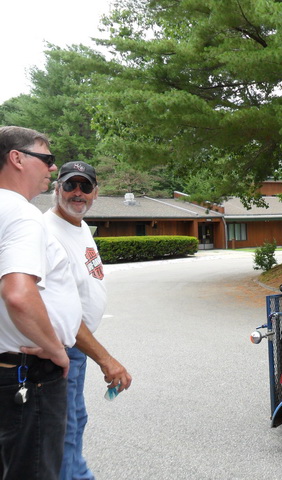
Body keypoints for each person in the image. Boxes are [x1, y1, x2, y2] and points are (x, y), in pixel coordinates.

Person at [0, 126, 82, 479]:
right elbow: (18, 293)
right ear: (17, 158)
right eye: (46, 158)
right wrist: (56, 349)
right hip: (30, 373)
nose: (52, 168)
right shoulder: (21, 214)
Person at [44, 161, 132, 480]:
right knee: (63, 432)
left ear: (96, 192)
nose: (77, 193)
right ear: (57, 189)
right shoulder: (48, 233)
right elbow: (59, 313)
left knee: (75, 422)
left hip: (75, 351)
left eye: (84, 186)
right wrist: (106, 359)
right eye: (70, 185)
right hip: (59, 351)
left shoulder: (79, 226)